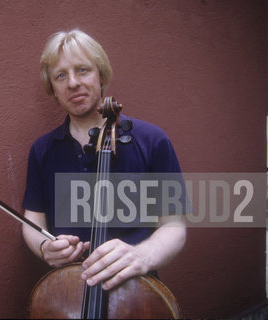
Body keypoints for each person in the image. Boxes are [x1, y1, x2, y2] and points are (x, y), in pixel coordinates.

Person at [22, 29, 186, 291]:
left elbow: (174, 226)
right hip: (69, 293)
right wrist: (44, 247)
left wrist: (143, 255)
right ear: (52, 88)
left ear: (101, 75)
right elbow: (32, 223)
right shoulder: (43, 150)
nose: (73, 82)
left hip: (137, 294)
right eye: (61, 76)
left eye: (83, 70)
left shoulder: (152, 140)